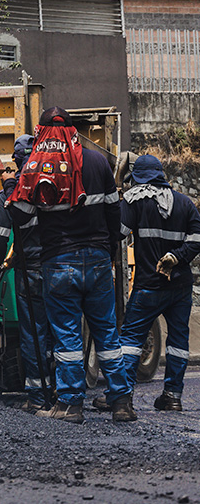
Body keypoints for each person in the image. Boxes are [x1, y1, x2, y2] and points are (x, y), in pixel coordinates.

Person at [6, 107, 134, 423]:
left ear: (41, 131)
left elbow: (19, 216)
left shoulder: (36, 165)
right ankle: (121, 403)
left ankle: (70, 405)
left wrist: (11, 186)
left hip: (58, 262)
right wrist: (106, 248)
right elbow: (113, 212)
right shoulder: (97, 162)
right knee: (107, 332)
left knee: (67, 336)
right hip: (98, 260)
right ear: (74, 130)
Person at [93, 154, 200, 412]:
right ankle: (172, 396)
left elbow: (116, 233)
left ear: (137, 177)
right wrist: (177, 256)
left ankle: (122, 395)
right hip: (180, 287)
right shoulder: (184, 203)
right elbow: (197, 238)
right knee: (178, 342)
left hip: (149, 286)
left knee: (130, 341)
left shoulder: (135, 201)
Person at [0, 134, 53, 412]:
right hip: (59, 267)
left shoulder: (11, 191)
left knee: (33, 334)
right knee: (63, 331)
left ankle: (38, 397)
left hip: (30, 272)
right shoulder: (57, 184)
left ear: (16, 160)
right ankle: (66, 394)